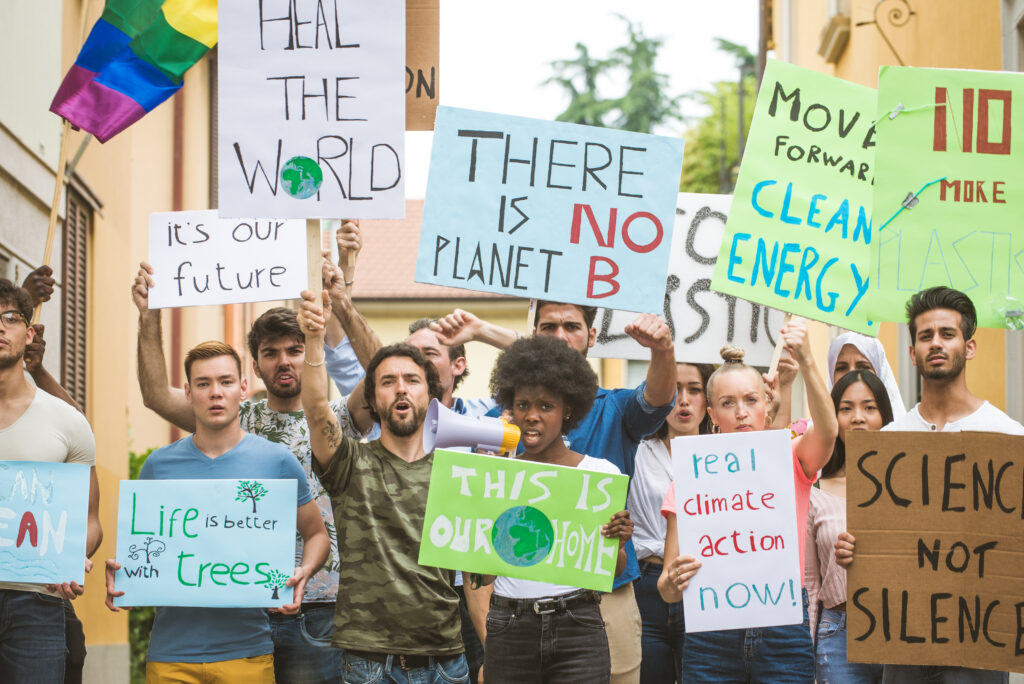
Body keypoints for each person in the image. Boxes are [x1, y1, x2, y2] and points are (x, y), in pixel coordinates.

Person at [133, 258, 377, 683]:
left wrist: (342, 303)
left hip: (315, 608)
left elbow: (384, 375)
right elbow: (155, 394)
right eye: (271, 353)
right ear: (255, 366)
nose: (284, 361)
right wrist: (148, 315)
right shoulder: (230, 415)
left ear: (311, 351)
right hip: (234, 610)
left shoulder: (337, 416)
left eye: (295, 350)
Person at [432, 302, 677, 684]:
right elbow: (477, 555)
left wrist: (663, 350)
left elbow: (658, 398)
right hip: (513, 614)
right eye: (548, 327)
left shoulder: (615, 408)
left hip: (604, 599)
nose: (561, 337)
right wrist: (490, 637)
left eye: (571, 326)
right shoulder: (496, 439)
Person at [105, 341, 329, 682]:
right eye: (203, 383)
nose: (215, 393)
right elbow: (145, 549)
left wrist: (304, 571)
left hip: (248, 653)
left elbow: (316, 535)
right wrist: (126, 575)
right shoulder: (158, 466)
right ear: (188, 393)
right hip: (169, 655)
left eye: (225, 381)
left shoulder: (277, 461)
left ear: (242, 388)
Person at [835, 286, 1022, 684]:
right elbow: (881, 543)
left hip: (979, 649)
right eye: (925, 336)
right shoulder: (887, 445)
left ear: (969, 347)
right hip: (903, 647)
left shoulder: (1009, 438)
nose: (936, 343)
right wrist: (854, 550)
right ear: (912, 353)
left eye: (947, 334)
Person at [297, 290, 469, 684]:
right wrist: (313, 337)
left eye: (412, 380)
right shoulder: (348, 462)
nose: (401, 388)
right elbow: (317, 408)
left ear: (430, 395)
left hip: (447, 662)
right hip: (370, 665)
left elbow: (481, 574)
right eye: (388, 382)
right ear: (373, 400)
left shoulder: (459, 473)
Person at [658, 319, 838, 683]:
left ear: (766, 404)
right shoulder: (690, 478)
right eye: (728, 403)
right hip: (710, 637)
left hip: (782, 631)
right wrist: (674, 580)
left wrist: (807, 360)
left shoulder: (790, 456)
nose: (741, 411)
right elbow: (667, 588)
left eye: (751, 400)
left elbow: (828, 431)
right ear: (712, 415)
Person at [481, 334, 633, 683]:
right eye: (522, 405)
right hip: (509, 628)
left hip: (578, 625)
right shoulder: (496, 477)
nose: (532, 416)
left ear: (568, 409)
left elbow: (611, 571)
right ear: (510, 408)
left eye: (546, 406)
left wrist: (618, 543)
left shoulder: (600, 475)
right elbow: (483, 577)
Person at [0, 278, 102, 684]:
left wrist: (73, 557)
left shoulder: (67, 422)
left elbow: (89, 520)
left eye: (10, 317)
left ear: (30, 334)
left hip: (37, 603)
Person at [805, 370, 893, 684]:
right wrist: (806, 653)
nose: (858, 417)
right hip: (837, 634)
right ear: (833, 418)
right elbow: (811, 583)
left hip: (900, 629)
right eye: (846, 408)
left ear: (884, 416)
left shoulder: (910, 487)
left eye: (869, 407)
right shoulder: (815, 490)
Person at [630, 362, 713, 684]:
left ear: (709, 399)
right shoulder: (636, 450)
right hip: (646, 584)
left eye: (695, 389)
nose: (684, 399)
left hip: (706, 582)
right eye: (675, 389)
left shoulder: (726, 458)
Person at [826, 332, 905, 419]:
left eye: (863, 367)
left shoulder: (901, 426)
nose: (852, 375)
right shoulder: (817, 427)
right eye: (842, 368)